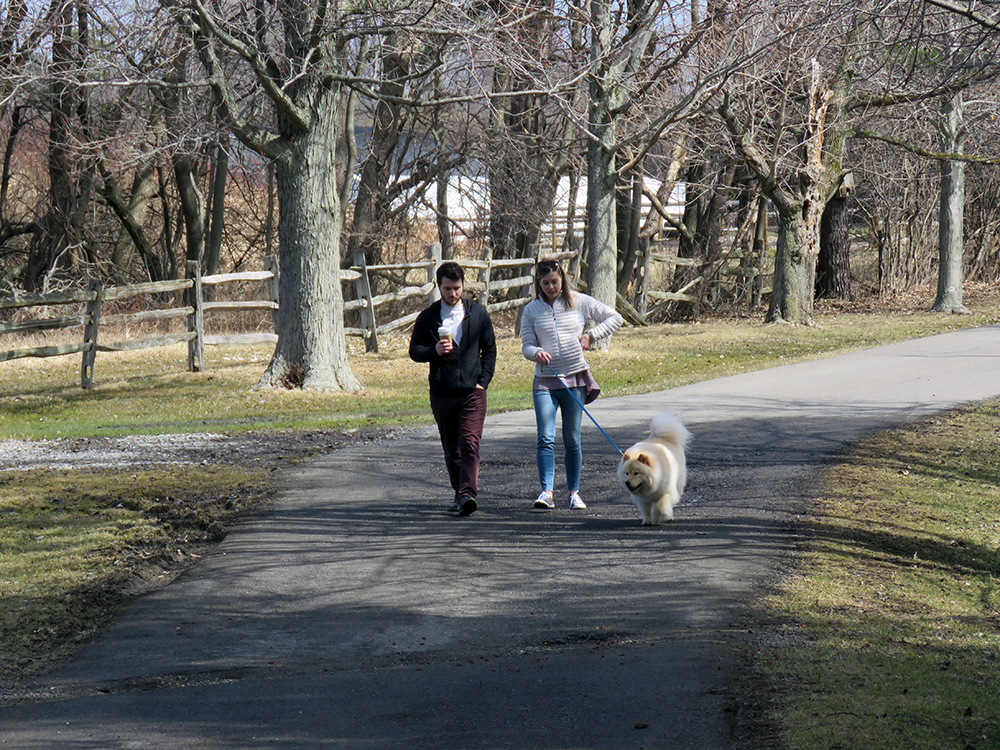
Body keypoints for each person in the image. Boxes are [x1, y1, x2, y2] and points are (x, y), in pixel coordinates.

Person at [520, 259, 623, 510]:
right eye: (545, 283)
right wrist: (536, 352)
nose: (551, 287)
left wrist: (591, 335)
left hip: (575, 379)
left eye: (555, 282)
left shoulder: (579, 301)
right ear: (539, 284)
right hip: (545, 380)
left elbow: (615, 317)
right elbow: (526, 345)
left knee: (572, 438)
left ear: (563, 279)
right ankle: (546, 492)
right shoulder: (532, 310)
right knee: (545, 437)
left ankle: (574, 492)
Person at [409, 262, 497, 517]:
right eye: (448, 288)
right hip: (442, 392)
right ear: (439, 287)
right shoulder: (428, 317)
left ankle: (469, 494)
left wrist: (484, 381)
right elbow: (414, 351)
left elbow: (489, 350)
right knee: (452, 449)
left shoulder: (478, 313)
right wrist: (432, 351)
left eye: (457, 288)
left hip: (473, 392)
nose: (453, 293)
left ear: (463, 286)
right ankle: (459, 493)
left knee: (470, 442)